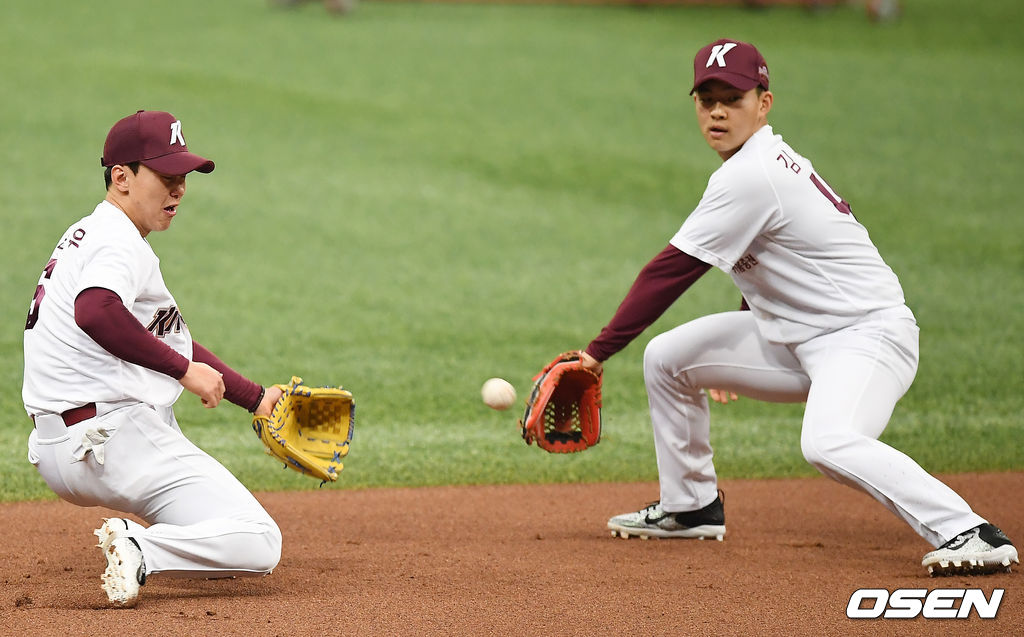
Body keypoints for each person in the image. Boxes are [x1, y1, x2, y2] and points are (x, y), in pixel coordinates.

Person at [578, 39, 1018, 576]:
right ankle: (690, 505)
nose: (717, 112)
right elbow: (769, 258)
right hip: (800, 339)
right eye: (706, 98)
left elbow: (670, 271)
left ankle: (969, 531)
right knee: (668, 358)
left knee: (828, 442)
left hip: (866, 338)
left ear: (763, 104)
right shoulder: (756, 166)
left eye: (733, 99)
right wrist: (740, 333)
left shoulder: (752, 173)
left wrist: (596, 353)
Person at [23, 110, 285, 607]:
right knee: (257, 540)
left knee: (212, 540)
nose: (180, 189)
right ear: (121, 178)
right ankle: (140, 546)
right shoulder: (118, 242)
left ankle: (147, 543)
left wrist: (255, 399)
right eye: (166, 177)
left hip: (59, 448)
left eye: (183, 177)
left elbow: (170, 342)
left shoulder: (89, 234)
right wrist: (184, 373)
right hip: (113, 443)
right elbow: (95, 313)